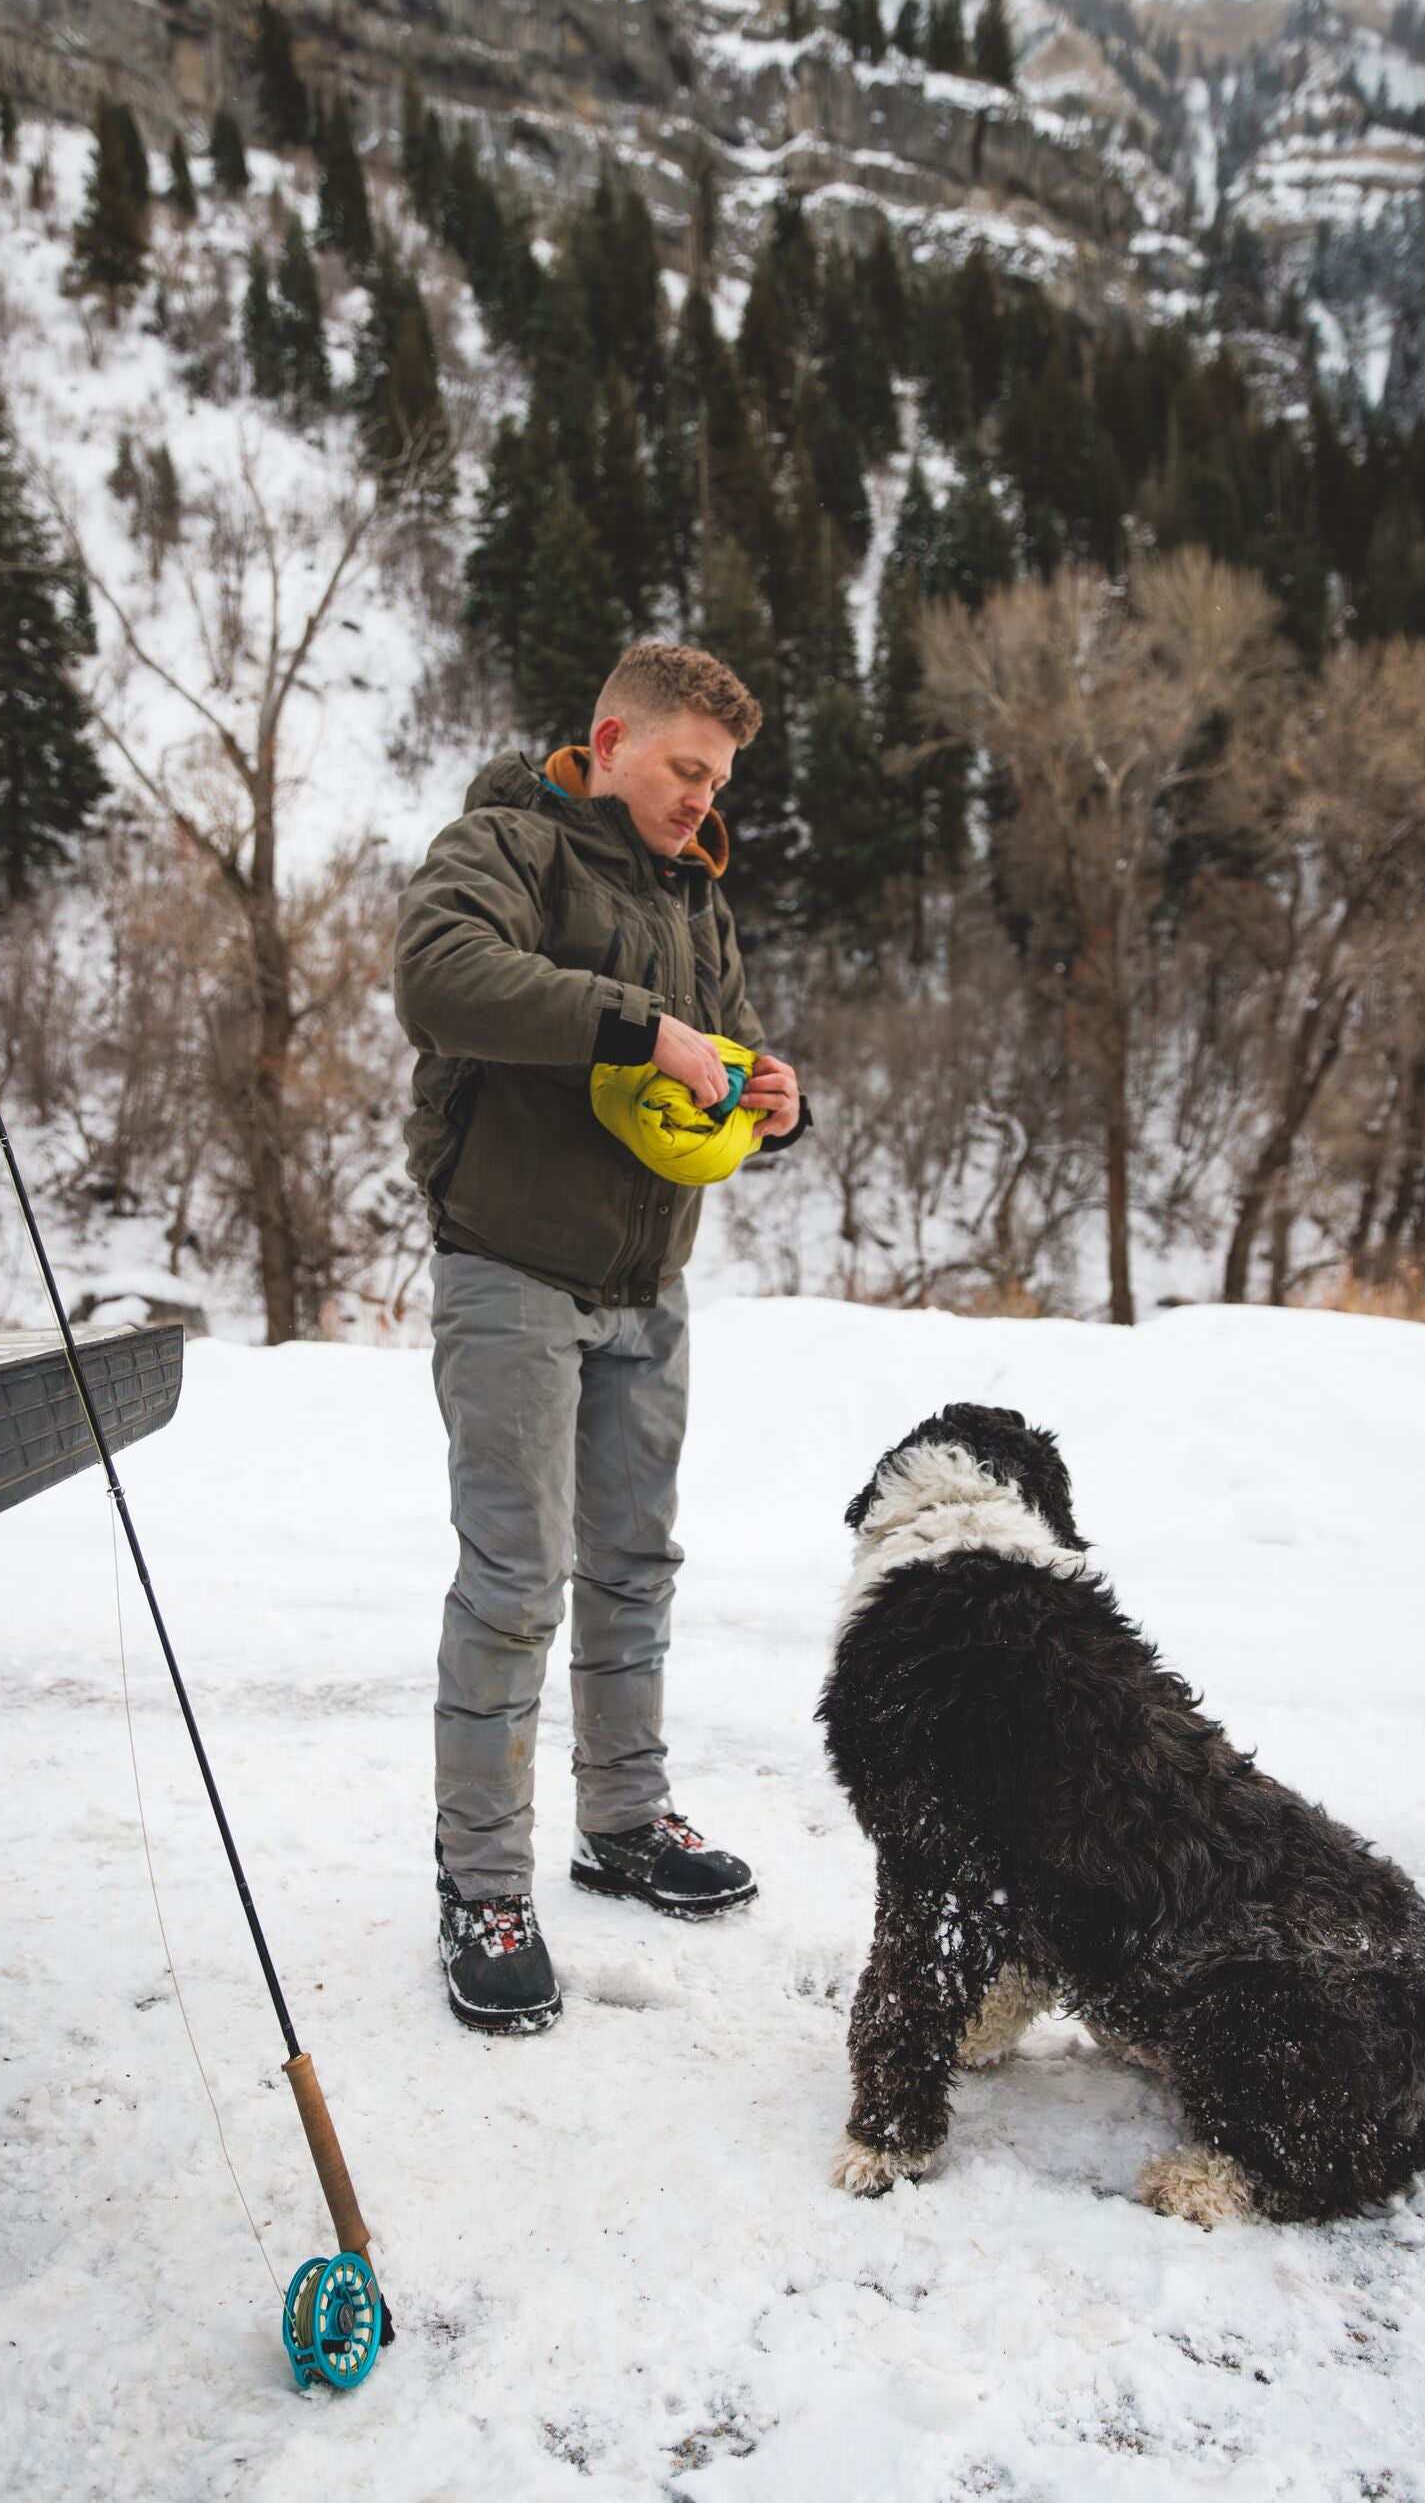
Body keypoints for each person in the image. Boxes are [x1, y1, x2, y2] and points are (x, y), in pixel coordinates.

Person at [393, 642, 807, 2034]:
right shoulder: (508, 842)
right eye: (689, 768)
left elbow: (726, 1036)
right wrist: (638, 1027)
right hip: (510, 1268)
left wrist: (765, 1084)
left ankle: (623, 1824)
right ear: (615, 738)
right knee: (517, 1581)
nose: (704, 798)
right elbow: (443, 979)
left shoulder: (696, 889)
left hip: (650, 1283)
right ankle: (483, 1887)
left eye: (720, 778)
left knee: (632, 1568)